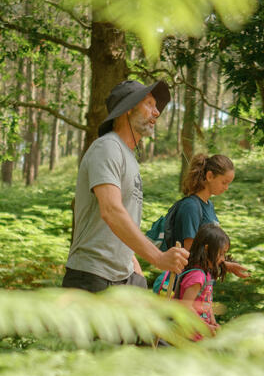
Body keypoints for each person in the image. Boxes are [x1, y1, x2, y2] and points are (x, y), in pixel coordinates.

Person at [63, 80, 188, 292]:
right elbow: (111, 211)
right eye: (149, 104)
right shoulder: (107, 147)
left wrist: (131, 260)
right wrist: (157, 257)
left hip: (122, 277)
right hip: (92, 277)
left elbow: (123, 220)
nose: (156, 112)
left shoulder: (128, 156)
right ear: (128, 109)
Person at [171, 153, 248, 278]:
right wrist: (225, 266)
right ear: (210, 176)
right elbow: (190, 252)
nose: (227, 188)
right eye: (224, 182)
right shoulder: (191, 206)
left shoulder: (209, 205)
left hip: (204, 280)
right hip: (190, 281)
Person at [176, 223, 230, 337]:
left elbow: (207, 303)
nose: (223, 259)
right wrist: (205, 326)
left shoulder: (206, 274)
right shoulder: (197, 276)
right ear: (206, 249)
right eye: (221, 253)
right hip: (188, 337)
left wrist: (213, 322)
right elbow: (185, 306)